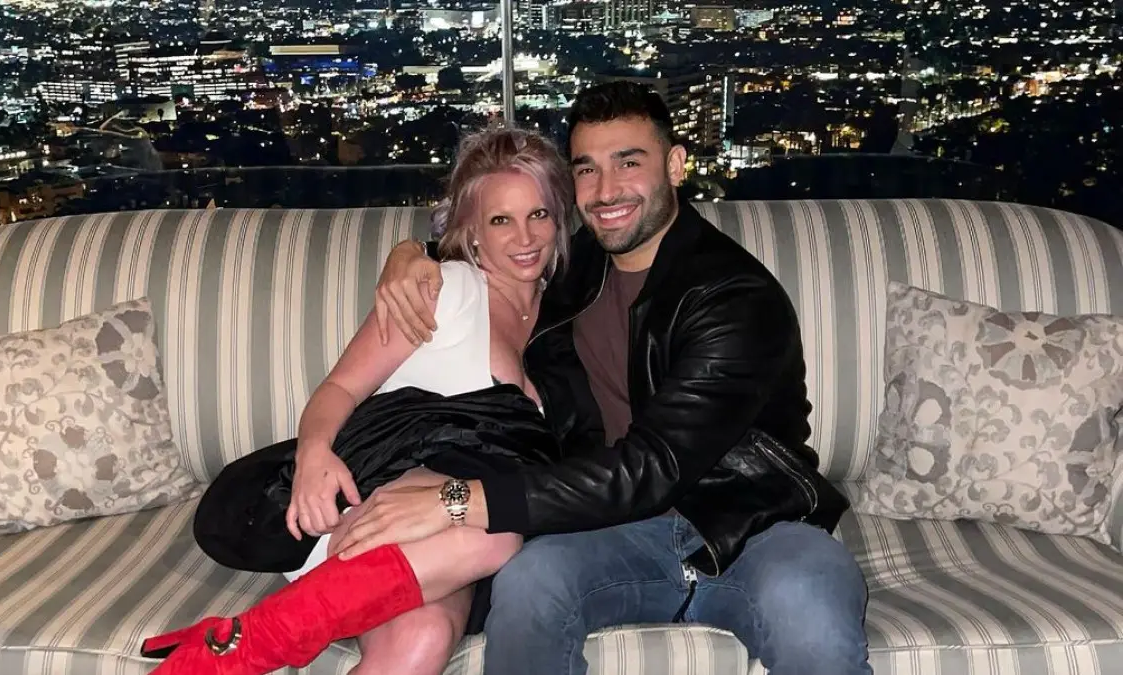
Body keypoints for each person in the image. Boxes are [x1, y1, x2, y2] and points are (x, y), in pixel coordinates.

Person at [331, 81, 873, 675]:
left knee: (815, 623)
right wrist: (412, 253)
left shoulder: (735, 298)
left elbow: (653, 467)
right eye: (587, 168)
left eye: (628, 162)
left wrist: (456, 501)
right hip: (610, 531)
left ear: (675, 165)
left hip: (752, 524)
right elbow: (490, 239)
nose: (606, 189)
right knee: (530, 586)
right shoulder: (575, 267)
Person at [137, 127, 576, 675]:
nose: (524, 237)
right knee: (495, 536)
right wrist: (313, 454)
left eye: (539, 214)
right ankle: (247, 647)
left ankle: (224, 646)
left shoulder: (568, 315)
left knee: (423, 637)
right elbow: (341, 387)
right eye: (501, 220)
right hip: (384, 510)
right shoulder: (440, 291)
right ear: (472, 230)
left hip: (451, 552)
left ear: (560, 216)